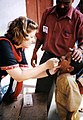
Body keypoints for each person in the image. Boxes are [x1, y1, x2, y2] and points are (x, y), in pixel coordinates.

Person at [31, 0, 83, 118]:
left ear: (73, 0)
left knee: (64, 91)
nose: (61, 5)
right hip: (48, 57)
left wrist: (80, 50)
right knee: (41, 92)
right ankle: (39, 116)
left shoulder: (78, 18)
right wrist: (34, 52)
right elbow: (40, 35)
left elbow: (82, 40)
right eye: (59, 1)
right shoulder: (48, 13)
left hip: (65, 61)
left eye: (66, 3)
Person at [0, 16, 60, 103]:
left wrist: (49, 72)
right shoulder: (4, 46)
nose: (33, 40)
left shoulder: (19, 49)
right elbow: (19, 76)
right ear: (21, 35)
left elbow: (26, 73)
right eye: (31, 37)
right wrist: (46, 65)